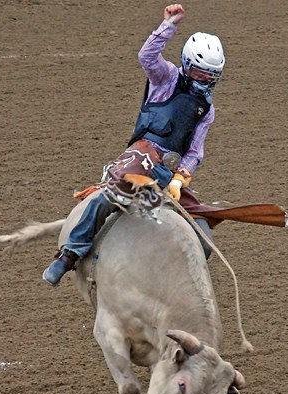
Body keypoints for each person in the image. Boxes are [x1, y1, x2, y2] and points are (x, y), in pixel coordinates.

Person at [42, 3, 224, 286]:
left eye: (212, 76)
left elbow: (194, 151)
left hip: (169, 172)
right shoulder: (166, 78)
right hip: (143, 154)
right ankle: (69, 255)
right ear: (188, 65)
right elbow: (147, 56)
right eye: (202, 73)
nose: (206, 80)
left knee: (202, 232)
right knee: (112, 195)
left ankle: (175, 281)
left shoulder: (207, 110)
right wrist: (168, 26)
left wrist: (180, 178)